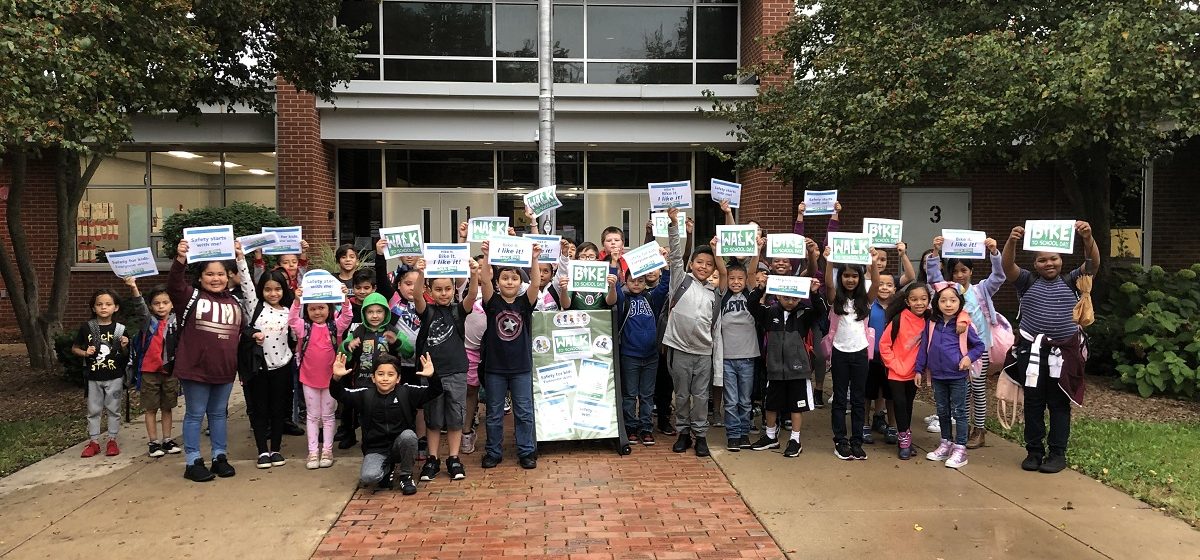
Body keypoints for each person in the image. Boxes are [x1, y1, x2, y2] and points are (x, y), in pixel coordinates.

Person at [1002, 221, 1098, 474]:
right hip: (1031, 351)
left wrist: (1087, 239)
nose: (1049, 264)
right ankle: (1034, 451)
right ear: (1034, 264)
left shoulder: (1074, 280)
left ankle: (1057, 453)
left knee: (1058, 403)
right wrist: (1012, 241)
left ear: (1061, 259)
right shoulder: (1026, 281)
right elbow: (1007, 267)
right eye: (1042, 260)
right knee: (1033, 402)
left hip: (1064, 353)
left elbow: (1093, 264)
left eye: (1053, 259)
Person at [170, 239, 247, 482]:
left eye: (221, 274)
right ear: (201, 277)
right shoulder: (189, 297)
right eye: (210, 274)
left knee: (218, 415)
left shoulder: (234, 302)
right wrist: (180, 259)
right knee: (195, 414)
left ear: (228, 276)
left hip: (224, 371)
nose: (216, 278)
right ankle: (193, 461)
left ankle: (219, 457)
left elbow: (243, 330)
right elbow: (173, 284)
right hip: (195, 370)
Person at [927, 234, 1006, 448]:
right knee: (964, 392)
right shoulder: (947, 290)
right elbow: (933, 278)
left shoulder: (981, 289)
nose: (960, 275)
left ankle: (979, 430)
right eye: (955, 271)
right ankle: (966, 428)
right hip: (956, 350)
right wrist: (935, 252)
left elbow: (999, 277)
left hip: (978, 349)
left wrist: (994, 253)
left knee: (978, 389)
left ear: (971, 271)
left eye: (964, 270)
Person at [662, 207, 724, 458]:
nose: (704, 266)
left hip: (703, 353)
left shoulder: (714, 294)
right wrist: (674, 225)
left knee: (700, 396)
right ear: (692, 263)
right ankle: (683, 433)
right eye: (700, 262)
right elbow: (676, 256)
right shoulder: (681, 280)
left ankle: (700, 436)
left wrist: (718, 250)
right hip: (679, 349)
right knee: (682, 394)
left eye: (709, 264)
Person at [332, 352, 441, 495]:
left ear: (398, 378)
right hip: (376, 449)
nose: (385, 379)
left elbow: (435, 391)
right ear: (373, 377)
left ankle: (406, 475)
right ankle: (386, 469)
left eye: (390, 375)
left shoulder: (406, 392)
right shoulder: (365, 395)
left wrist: (432, 376)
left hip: (400, 445)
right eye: (380, 374)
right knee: (369, 477)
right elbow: (340, 394)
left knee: (409, 436)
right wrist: (336, 378)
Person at [479, 239, 543, 469]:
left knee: (524, 412)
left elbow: (536, 283)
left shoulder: (525, 303)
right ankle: (493, 452)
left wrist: (534, 259)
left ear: (520, 283)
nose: (509, 281)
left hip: (521, 368)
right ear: (498, 282)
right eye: (505, 278)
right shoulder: (492, 302)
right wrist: (486, 255)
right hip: (495, 368)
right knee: (494, 413)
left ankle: (526, 451)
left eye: (514, 278)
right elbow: (484, 279)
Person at [413, 257, 479, 481]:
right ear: (430, 290)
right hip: (432, 375)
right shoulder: (427, 311)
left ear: (453, 290)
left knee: (455, 418)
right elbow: (416, 297)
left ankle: (453, 458)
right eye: (438, 289)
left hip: (457, 372)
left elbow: (471, 296)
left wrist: (474, 273)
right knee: (433, 419)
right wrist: (421, 273)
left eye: (448, 289)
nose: (444, 293)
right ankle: (432, 459)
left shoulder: (458, 311)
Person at [237, 246, 296, 468]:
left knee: (278, 410)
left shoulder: (290, 310)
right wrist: (242, 259)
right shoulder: (256, 307)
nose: (273, 293)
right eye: (268, 289)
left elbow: (296, 331)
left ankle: (277, 450)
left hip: (283, 366)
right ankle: (262, 451)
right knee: (260, 410)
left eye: (278, 289)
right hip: (259, 368)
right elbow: (246, 284)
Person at [918, 282, 986, 469]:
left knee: (960, 412)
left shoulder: (963, 324)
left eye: (953, 300)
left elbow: (979, 346)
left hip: (957, 376)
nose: (948, 304)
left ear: (960, 302)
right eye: (944, 300)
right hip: (938, 376)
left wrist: (968, 358)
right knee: (942, 411)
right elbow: (924, 347)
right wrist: (919, 369)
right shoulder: (932, 324)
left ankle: (960, 448)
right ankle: (945, 443)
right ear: (937, 303)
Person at [823, 244, 881, 460]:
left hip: (860, 353)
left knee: (858, 399)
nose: (850, 279)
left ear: (859, 278)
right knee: (839, 398)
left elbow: (876, 282)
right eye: (846, 275)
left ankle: (857, 441)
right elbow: (828, 283)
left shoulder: (865, 300)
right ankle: (840, 441)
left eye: (854, 276)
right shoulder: (835, 299)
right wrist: (828, 260)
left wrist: (873, 261)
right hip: (839, 352)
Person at [751, 291, 822, 457]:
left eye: (795, 298)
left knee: (796, 406)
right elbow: (752, 306)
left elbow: (820, 310)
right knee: (771, 403)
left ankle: (795, 440)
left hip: (798, 369)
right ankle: (770, 436)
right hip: (775, 368)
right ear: (778, 297)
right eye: (786, 298)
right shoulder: (769, 313)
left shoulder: (805, 313)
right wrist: (761, 288)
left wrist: (814, 293)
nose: (790, 302)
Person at [291, 286, 351, 469]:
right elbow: (292, 320)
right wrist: (296, 301)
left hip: (330, 379)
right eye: (312, 308)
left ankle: (327, 450)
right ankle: (312, 452)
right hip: (309, 378)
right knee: (312, 416)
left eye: (322, 308)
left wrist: (344, 298)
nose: (317, 312)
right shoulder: (304, 327)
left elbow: (347, 317)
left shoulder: (335, 327)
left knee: (328, 416)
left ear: (329, 308)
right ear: (307, 310)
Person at [616, 246, 671, 446]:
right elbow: (614, 290)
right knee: (630, 395)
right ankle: (630, 428)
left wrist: (665, 264)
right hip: (629, 355)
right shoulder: (623, 299)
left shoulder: (651, 297)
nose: (637, 284)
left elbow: (664, 285)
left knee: (647, 395)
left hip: (651, 356)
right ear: (626, 281)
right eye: (632, 280)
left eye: (640, 280)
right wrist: (615, 265)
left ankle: (646, 428)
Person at [339, 291, 408, 448]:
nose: (375, 316)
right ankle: (369, 446)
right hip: (364, 382)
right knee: (366, 417)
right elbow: (341, 352)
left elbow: (409, 351)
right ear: (364, 313)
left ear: (386, 312)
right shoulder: (359, 331)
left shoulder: (392, 330)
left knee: (388, 414)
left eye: (379, 311)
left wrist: (397, 342)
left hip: (387, 384)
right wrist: (348, 346)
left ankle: (389, 445)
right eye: (370, 312)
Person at [718, 235, 766, 451]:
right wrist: (716, 248)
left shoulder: (749, 293)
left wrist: (756, 249)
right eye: (732, 278)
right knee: (730, 399)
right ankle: (733, 435)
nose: (736, 282)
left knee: (745, 400)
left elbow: (753, 272)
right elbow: (720, 270)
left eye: (740, 278)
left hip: (747, 357)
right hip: (727, 357)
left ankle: (744, 432)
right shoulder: (723, 295)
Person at [72, 287, 131, 458]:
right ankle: (94, 442)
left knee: (114, 409)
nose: (104, 307)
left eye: (108, 304)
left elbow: (127, 356)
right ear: (93, 308)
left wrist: (125, 346)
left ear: (116, 307)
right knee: (93, 410)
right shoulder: (87, 328)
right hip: (93, 377)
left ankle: (112, 439)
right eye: (99, 304)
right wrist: (85, 353)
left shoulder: (120, 329)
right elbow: (75, 348)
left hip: (115, 376)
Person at [127, 278, 182, 458]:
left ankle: (167, 439)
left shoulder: (177, 322)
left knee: (167, 407)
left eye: (165, 302)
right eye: (156, 303)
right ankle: (153, 441)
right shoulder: (148, 322)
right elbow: (139, 307)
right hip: (149, 371)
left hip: (170, 371)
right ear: (150, 306)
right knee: (151, 408)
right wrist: (134, 287)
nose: (161, 306)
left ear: (172, 304)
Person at [877, 283, 931, 459]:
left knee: (908, 405)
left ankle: (904, 437)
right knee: (899, 404)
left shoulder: (930, 319)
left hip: (915, 372)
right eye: (914, 299)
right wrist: (893, 364)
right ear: (907, 301)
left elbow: (956, 313)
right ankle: (904, 440)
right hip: (896, 372)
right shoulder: (899, 319)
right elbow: (884, 345)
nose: (919, 303)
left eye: (923, 299)